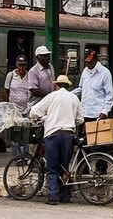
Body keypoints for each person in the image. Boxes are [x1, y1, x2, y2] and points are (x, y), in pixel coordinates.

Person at [30, 74, 84, 205]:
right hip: (68, 135)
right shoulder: (74, 98)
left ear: (56, 85)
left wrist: (44, 117)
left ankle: (53, 196)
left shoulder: (51, 96)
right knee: (64, 166)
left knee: (52, 167)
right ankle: (65, 195)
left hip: (53, 135)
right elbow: (80, 119)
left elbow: (34, 112)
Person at [74, 47, 113, 125]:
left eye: (90, 62)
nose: (88, 64)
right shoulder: (85, 71)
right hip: (84, 113)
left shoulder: (105, 73)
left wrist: (105, 111)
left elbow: (109, 95)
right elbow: (81, 89)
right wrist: (68, 93)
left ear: (96, 60)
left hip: (98, 115)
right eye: (86, 62)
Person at [4, 55, 32, 157]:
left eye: (24, 65)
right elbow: (6, 90)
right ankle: (17, 157)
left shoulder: (30, 76)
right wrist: (9, 103)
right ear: (16, 65)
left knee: (27, 134)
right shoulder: (11, 75)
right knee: (14, 134)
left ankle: (25, 155)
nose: (21, 68)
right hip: (14, 109)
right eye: (20, 65)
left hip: (26, 108)